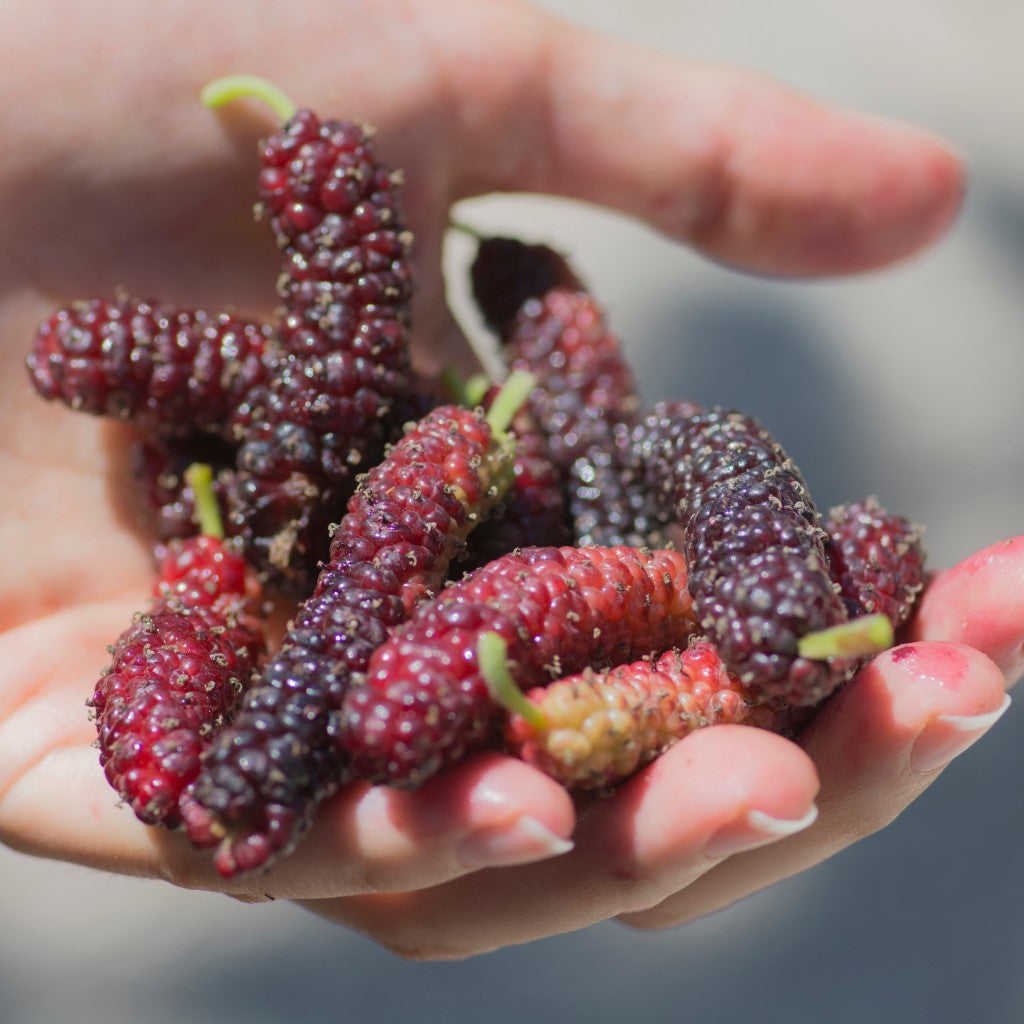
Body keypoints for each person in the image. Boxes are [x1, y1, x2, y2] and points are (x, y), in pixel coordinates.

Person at [0, 0, 1018, 960]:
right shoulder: (349, 482)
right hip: (371, 521)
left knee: (412, 554)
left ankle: (285, 750)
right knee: (368, 541)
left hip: (471, 539)